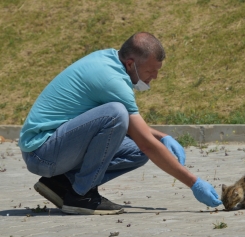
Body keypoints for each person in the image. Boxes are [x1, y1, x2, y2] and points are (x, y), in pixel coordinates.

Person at [19, 32, 222, 215]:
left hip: (54, 147)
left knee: (136, 151)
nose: (155, 77)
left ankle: (62, 184)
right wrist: (194, 183)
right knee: (117, 114)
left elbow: (138, 136)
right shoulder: (112, 80)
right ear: (131, 64)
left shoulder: (109, 59)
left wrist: (163, 137)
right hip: (42, 153)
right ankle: (81, 196)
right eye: (151, 71)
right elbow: (145, 142)